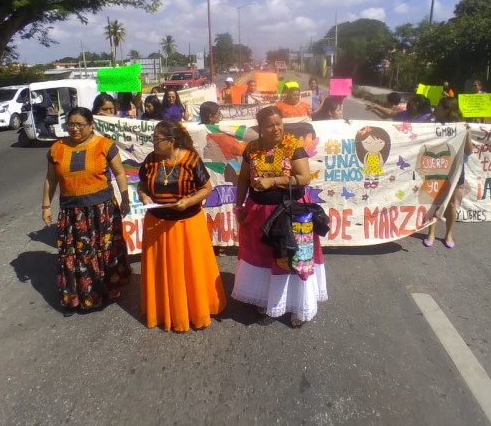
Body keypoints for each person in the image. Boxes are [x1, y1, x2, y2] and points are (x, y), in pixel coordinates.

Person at [232, 106, 326, 327]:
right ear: (260, 128)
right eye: (270, 125)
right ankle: (266, 299)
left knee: (292, 257)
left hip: (289, 213)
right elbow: (243, 179)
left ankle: (298, 305)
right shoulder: (252, 149)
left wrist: (273, 181)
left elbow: (304, 178)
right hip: (258, 212)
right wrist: (239, 206)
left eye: (279, 123)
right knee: (263, 258)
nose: (276, 129)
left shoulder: (292, 146)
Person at [137, 120, 226, 331]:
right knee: (163, 270)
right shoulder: (151, 160)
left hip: (186, 225)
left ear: (172, 141)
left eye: (157, 140)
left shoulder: (192, 160)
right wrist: (144, 196)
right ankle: (165, 311)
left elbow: (206, 188)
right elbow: (142, 184)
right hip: (157, 224)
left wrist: (188, 202)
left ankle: (194, 310)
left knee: (189, 269)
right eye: (153, 139)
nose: (153, 143)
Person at [42, 107, 132, 314]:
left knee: (106, 251)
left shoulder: (105, 145)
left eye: (79, 124)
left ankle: (110, 287)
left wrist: (125, 198)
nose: (74, 129)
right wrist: (46, 206)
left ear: (91, 125)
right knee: (77, 253)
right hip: (71, 212)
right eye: (71, 124)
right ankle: (81, 294)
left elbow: (119, 173)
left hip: (102, 210)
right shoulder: (56, 149)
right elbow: (51, 179)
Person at [424, 97, 473, 248]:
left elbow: (469, 151)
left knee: (452, 203)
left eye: (438, 106)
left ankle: (449, 234)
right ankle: (430, 233)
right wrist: (432, 119)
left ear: (446, 109)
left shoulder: (461, 127)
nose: (435, 108)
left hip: (455, 170)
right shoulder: (431, 125)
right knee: (435, 201)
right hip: (436, 166)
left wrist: (468, 134)